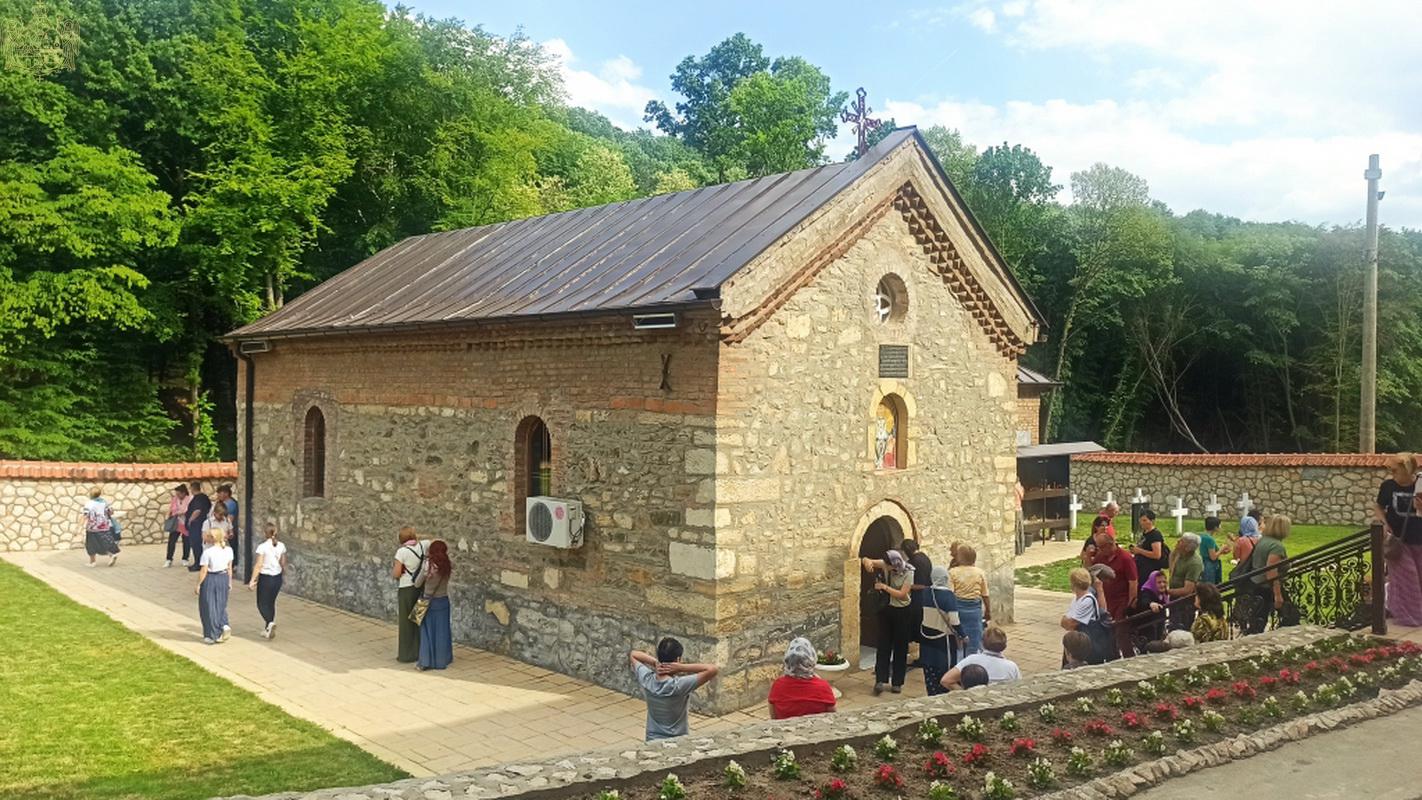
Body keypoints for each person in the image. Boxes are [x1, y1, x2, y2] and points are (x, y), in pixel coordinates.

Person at [629, 638, 719, 741]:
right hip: (678, 740)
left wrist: (656, 663)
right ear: (678, 660)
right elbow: (712, 669)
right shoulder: (678, 686)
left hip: (652, 739)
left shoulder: (647, 679)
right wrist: (682, 667)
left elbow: (634, 654)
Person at [1376, 454, 1422, 626]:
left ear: (1407, 469)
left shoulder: (1420, 485)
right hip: (1397, 541)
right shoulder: (1388, 486)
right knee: (1406, 578)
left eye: (1395, 470)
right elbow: (1379, 506)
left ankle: (1404, 610)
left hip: (1419, 538)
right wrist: (1383, 522)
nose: (1392, 473)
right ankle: (1411, 617)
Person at [861, 549, 914, 695]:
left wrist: (884, 587)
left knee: (900, 647)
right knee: (883, 644)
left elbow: (902, 594)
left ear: (896, 564)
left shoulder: (909, 572)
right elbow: (867, 559)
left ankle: (897, 682)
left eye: (889, 566)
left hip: (902, 611)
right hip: (886, 609)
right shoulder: (886, 564)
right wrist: (867, 562)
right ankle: (880, 679)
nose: (887, 568)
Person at [1088, 531, 1138, 659]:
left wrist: (1130, 604)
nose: (1099, 550)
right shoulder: (1100, 557)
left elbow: (1133, 582)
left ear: (1110, 545)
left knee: (1121, 632)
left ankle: (1129, 658)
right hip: (1106, 600)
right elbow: (1091, 573)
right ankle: (1112, 658)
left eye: (1101, 547)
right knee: (1107, 631)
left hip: (1122, 601)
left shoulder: (1125, 558)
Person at [1244, 515, 1291, 634]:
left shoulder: (1263, 540)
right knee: (1290, 616)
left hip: (1256, 583)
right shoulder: (1276, 546)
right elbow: (1271, 571)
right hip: (1267, 587)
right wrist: (1277, 595)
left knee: (1258, 620)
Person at [767, 638, 836, 719]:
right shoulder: (823, 687)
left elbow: (773, 717)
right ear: (811, 659)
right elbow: (833, 716)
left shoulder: (778, 686)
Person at [918, 565, 959, 696]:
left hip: (926, 636)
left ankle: (932, 695)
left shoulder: (925, 592)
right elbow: (954, 621)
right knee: (944, 671)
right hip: (942, 639)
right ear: (945, 578)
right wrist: (963, 635)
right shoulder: (948, 596)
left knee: (929, 670)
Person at [413, 540, 454, 670]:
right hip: (443, 600)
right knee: (442, 631)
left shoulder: (428, 566)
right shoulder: (447, 565)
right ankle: (442, 659)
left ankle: (425, 662)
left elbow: (417, 584)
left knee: (426, 632)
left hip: (427, 601)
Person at [939, 625, 1020, 690]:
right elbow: (1019, 688)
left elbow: (946, 680)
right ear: (1004, 646)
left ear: (982, 643)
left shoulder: (972, 660)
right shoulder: (1012, 667)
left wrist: (965, 693)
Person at [948, 545, 990, 660]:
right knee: (975, 638)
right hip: (974, 610)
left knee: (958, 637)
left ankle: (959, 663)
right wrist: (988, 611)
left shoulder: (952, 572)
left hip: (958, 609)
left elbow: (950, 594)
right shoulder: (980, 573)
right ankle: (972, 662)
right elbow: (985, 594)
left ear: (959, 557)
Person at [391, 528, 426, 663]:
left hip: (406, 588)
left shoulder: (402, 552)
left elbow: (396, 573)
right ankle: (420, 651)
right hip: (421, 588)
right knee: (418, 619)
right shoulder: (423, 546)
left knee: (406, 622)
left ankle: (406, 654)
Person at [247, 522, 287, 639]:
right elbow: (283, 562)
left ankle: (270, 622)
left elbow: (259, 565)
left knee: (261, 603)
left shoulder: (262, 547)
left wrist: (252, 580)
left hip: (266, 578)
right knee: (270, 603)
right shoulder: (281, 546)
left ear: (265, 533)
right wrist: (284, 574)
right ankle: (267, 629)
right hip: (277, 577)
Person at [195, 529, 233, 644]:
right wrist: (229, 582)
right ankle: (224, 625)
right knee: (221, 604)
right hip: (224, 577)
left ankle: (211, 635)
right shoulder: (229, 550)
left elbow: (204, 570)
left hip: (211, 578)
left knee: (208, 606)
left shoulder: (208, 552)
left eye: (208, 536)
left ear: (213, 538)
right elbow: (229, 568)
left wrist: (198, 584)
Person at [901, 539, 933, 663]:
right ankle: (924, 657)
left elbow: (919, 584)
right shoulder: (925, 557)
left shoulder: (914, 562)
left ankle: (923, 658)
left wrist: (905, 586)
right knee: (923, 627)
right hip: (926, 596)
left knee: (918, 628)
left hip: (918, 598)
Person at [1164, 533, 1203, 631]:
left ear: (1188, 548)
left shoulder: (1194, 563)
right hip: (1174, 598)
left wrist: (1166, 591)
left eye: (1181, 541)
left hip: (1185, 602)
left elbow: (1187, 590)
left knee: (1182, 627)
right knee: (1172, 625)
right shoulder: (1178, 554)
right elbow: (1171, 564)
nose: (1178, 541)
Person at [82, 486, 119, 567]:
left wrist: (78, 527)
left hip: (92, 528)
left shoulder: (89, 503)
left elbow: (85, 515)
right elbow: (111, 512)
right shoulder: (104, 502)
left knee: (91, 544)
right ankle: (112, 554)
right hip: (104, 527)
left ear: (91, 494)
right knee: (104, 542)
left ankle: (92, 562)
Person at [1129, 509, 1168, 578]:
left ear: (1152, 521)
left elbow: (1156, 555)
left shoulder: (1155, 535)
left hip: (1150, 569)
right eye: (1140, 520)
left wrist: (1139, 551)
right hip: (1141, 567)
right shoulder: (1144, 533)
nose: (1142, 523)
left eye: (1144, 520)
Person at [185, 481, 213, 572]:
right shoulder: (204, 497)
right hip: (201, 523)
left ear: (192, 488)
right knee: (199, 544)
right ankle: (199, 562)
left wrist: (190, 520)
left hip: (197, 524)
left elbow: (197, 510)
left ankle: (198, 564)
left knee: (196, 544)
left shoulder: (198, 498)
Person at [202, 502, 233, 579]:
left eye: (223, 515)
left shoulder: (227, 520)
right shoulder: (208, 523)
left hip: (223, 548)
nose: (222, 517)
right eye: (220, 515)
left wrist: (230, 535)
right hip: (210, 548)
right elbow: (204, 537)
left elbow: (231, 531)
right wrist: (218, 539)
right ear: (215, 513)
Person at [163, 484, 191, 568]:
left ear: (184, 493)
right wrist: (169, 515)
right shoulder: (175, 499)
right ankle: (169, 559)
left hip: (186, 523)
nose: (177, 495)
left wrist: (180, 512)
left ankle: (185, 559)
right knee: (172, 541)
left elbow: (188, 510)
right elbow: (171, 508)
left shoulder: (189, 499)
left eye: (179, 494)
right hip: (176, 523)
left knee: (186, 541)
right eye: (177, 494)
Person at [216, 484, 239, 569]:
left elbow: (230, 519)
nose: (218, 495)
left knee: (231, 548)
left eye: (220, 493)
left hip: (230, 530)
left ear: (226, 493)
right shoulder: (224, 503)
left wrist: (225, 530)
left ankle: (233, 565)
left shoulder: (231, 504)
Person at [1198, 517, 1223, 584]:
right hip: (1209, 566)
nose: (1221, 527)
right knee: (1210, 586)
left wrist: (1221, 551)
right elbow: (1213, 557)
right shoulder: (1210, 539)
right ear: (1215, 527)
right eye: (1220, 525)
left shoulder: (1202, 536)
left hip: (1203, 562)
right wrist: (1222, 549)